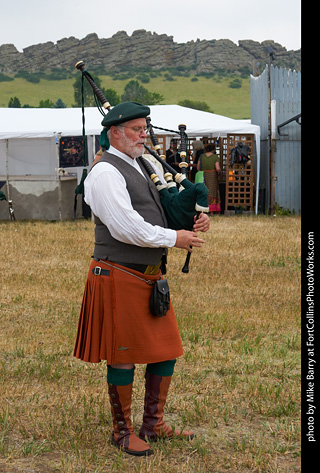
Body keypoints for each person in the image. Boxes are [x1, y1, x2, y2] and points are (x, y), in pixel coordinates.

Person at [73, 101, 210, 457]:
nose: (143, 135)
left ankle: (154, 424)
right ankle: (122, 431)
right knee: (123, 356)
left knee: (166, 351)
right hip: (119, 273)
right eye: (136, 129)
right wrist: (173, 239)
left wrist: (188, 222)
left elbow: (160, 212)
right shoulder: (105, 173)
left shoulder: (140, 163)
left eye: (145, 128)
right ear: (114, 132)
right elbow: (126, 228)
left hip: (150, 278)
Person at [197, 142, 222, 214]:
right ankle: (212, 211)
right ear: (213, 149)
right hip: (212, 176)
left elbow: (198, 168)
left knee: (204, 192)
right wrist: (220, 172)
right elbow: (217, 168)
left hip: (203, 175)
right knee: (212, 192)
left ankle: (203, 209)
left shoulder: (201, 156)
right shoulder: (215, 157)